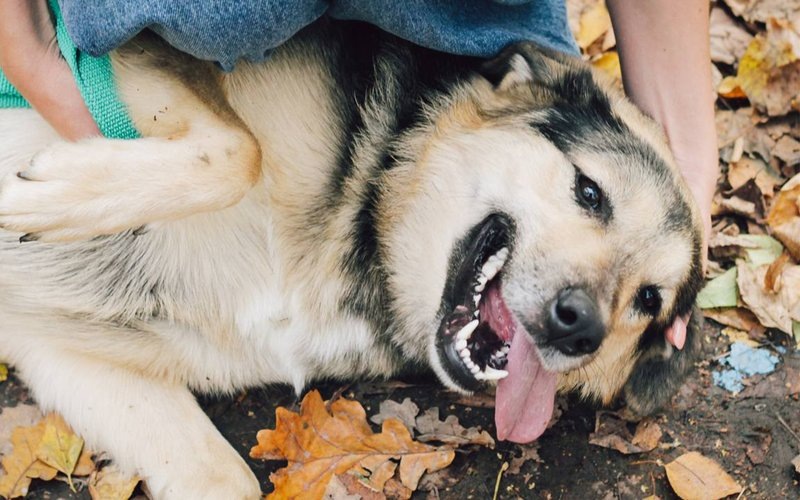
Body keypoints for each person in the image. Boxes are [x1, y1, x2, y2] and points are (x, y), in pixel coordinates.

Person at [0, 0, 717, 348]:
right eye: (587, 197)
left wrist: (684, 162)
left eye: (641, 298)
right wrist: (24, 42)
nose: (585, 313)